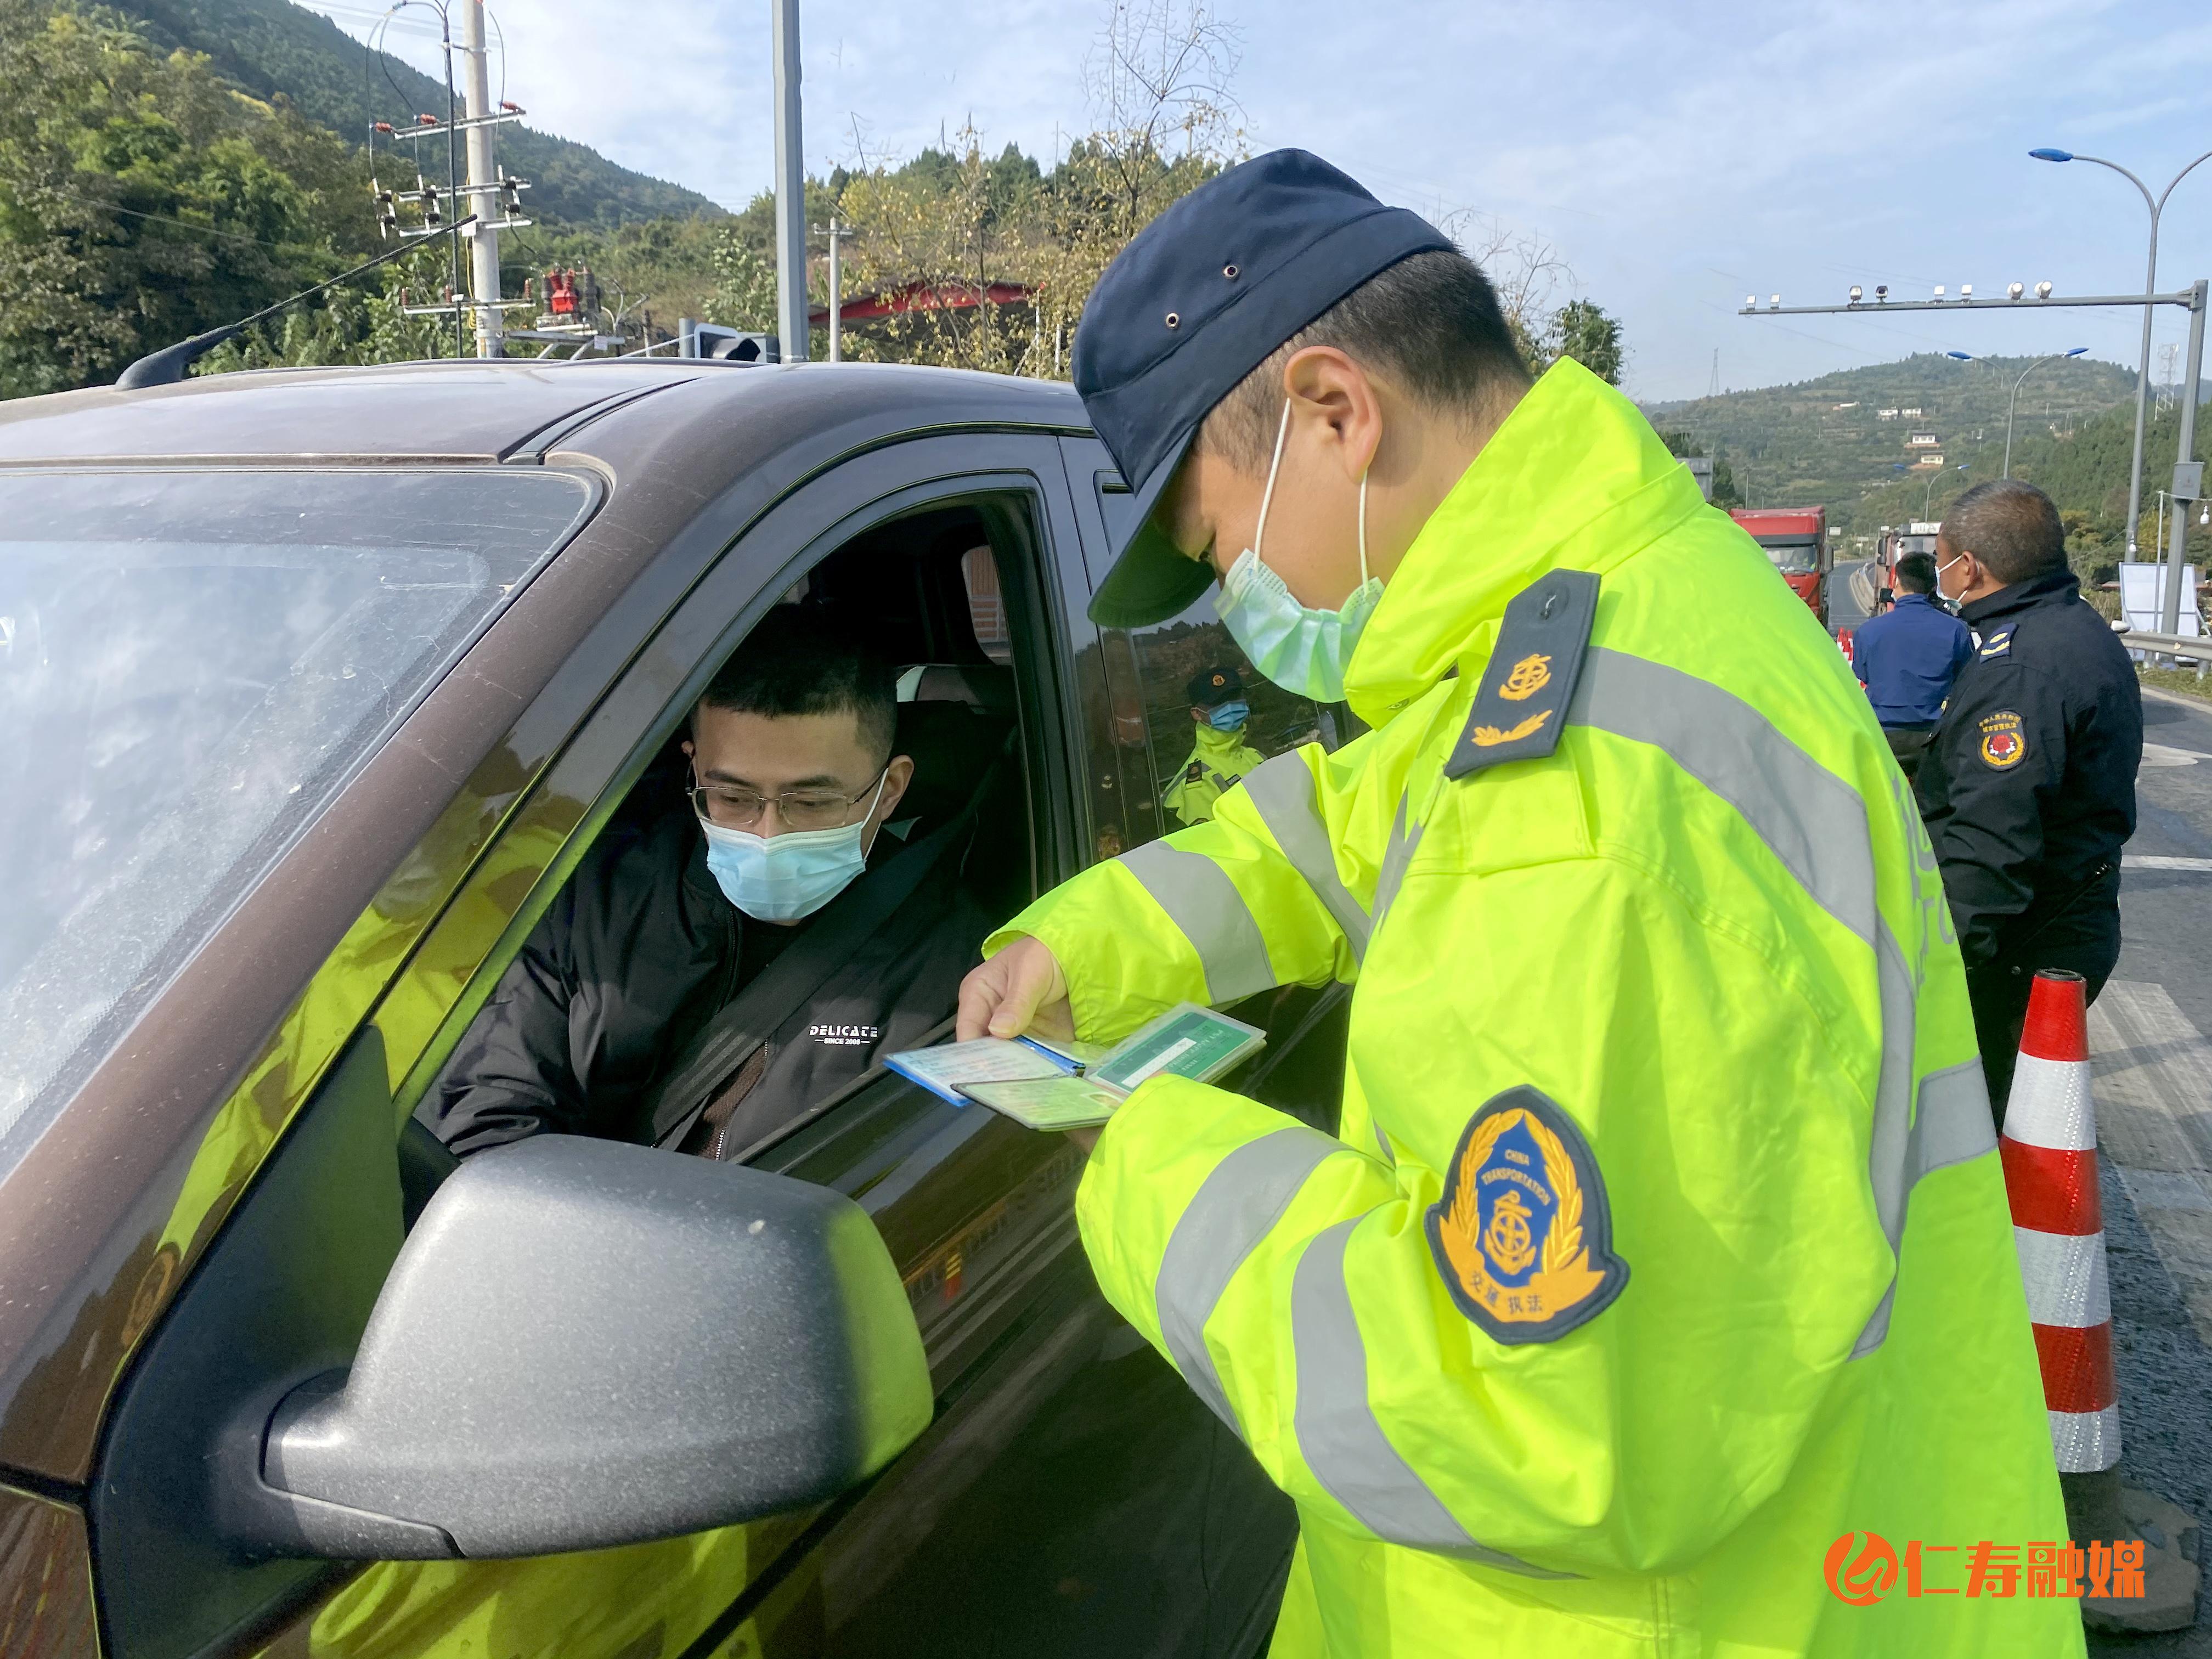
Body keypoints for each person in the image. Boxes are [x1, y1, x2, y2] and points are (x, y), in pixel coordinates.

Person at [957, 150, 2074, 1656]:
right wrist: (1089, 942)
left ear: (1337, 413)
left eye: (1218, 547)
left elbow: (1512, 1422)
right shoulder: (1609, 616)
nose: (1236, 598)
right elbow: (1345, 826)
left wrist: (1142, 1154)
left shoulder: (1581, 810)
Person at [428, 608, 994, 1160]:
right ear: (695, 771)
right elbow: (494, 1116)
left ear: (890, 790)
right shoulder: (594, 901)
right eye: (733, 797)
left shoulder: (957, 965)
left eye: (814, 802)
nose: (768, 833)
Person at [1916, 479, 2142, 1117]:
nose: (1943, 572)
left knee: (1977, 1128)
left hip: (2017, 948)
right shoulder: (2068, 627)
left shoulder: (2020, 669)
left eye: (1944, 557)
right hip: (2062, 922)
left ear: (1973, 567)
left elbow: (1992, 843)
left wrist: (1936, 971)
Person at [1850, 549, 1972, 778]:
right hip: (1934, 738)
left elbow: (1863, 674)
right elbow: (1965, 679)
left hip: (1883, 736)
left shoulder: (1868, 632)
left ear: (1897, 581)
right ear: (1933, 587)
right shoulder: (1956, 630)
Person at [1162, 663, 1266, 826]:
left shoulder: (1254, 755)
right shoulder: (1197, 783)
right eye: (1219, 702)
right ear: (1197, 714)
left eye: (1234, 696)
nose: (1230, 706)